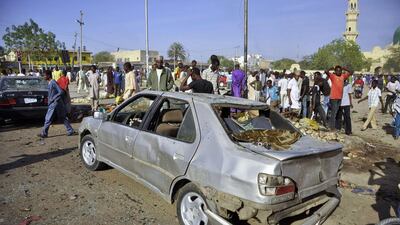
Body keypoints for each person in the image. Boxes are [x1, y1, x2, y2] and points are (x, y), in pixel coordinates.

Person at [38, 70, 74, 138]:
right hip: (56, 103)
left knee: (48, 118)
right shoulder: (49, 83)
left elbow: (61, 92)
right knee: (63, 117)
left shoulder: (53, 82)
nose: (44, 77)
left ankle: (44, 133)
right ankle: (70, 130)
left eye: (45, 75)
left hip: (54, 103)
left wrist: (53, 98)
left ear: (48, 75)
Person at [325, 65, 353, 131]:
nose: (338, 71)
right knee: (334, 113)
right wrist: (331, 67)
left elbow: (351, 72)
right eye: (337, 70)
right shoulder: (333, 76)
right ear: (335, 71)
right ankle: (332, 128)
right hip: (334, 97)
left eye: (340, 70)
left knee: (336, 112)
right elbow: (326, 71)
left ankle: (334, 126)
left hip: (339, 98)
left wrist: (344, 68)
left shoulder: (343, 76)